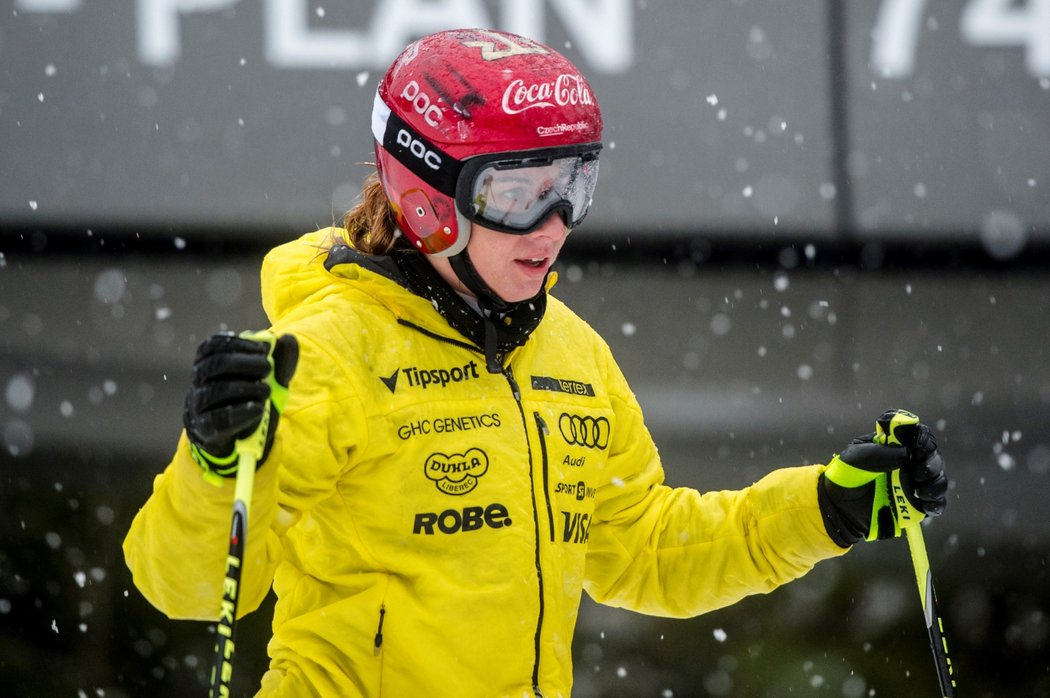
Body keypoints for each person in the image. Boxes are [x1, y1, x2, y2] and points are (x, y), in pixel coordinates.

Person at [123, 28, 948, 697]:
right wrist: (214, 460)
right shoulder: (332, 353)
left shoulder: (569, 350)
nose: (553, 225)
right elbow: (190, 588)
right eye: (517, 194)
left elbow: (647, 553)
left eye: (572, 185)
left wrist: (826, 511)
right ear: (428, 195)